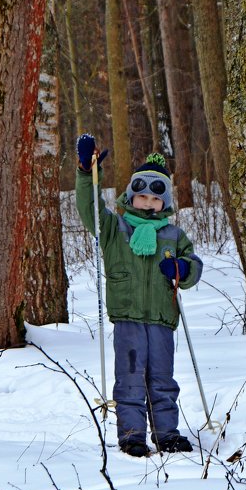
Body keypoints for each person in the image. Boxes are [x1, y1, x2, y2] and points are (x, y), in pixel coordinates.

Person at [74, 133, 203, 457]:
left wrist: (182, 270)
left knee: (162, 380)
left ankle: (166, 434)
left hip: (161, 319)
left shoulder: (173, 235)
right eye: (141, 196)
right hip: (129, 319)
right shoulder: (115, 229)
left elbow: (193, 264)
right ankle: (132, 436)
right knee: (130, 379)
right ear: (130, 198)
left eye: (154, 199)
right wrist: (86, 173)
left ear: (165, 203)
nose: (148, 203)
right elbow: (89, 209)